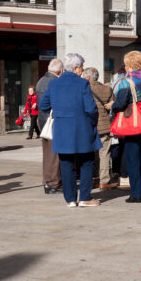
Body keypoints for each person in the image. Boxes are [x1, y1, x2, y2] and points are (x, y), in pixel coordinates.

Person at [40, 54, 102, 207]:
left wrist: (59, 113)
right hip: (82, 128)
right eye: (81, 67)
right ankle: (85, 198)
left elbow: (43, 105)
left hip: (61, 128)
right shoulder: (82, 84)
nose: (82, 70)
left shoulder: (54, 84)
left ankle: (70, 199)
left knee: (66, 163)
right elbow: (91, 108)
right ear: (75, 68)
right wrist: (92, 121)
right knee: (86, 162)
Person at [108, 51, 141, 203]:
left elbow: (121, 103)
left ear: (129, 65)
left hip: (133, 124)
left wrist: (112, 105)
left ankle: (135, 193)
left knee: (132, 159)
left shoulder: (127, 82)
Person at [83, 67, 116, 189]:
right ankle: (104, 180)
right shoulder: (107, 89)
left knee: (90, 154)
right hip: (104, 126)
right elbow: (114, 104)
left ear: (87, 77)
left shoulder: (84, 88)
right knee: (104, 153)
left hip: (89, 125)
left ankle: (93, 178)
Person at [36, 59, 63, 194]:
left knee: (47, 154)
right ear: (61, 70)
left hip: (43, 121)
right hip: (52, 121)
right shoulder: (55, 82)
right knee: (54, 155)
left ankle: (47, 181)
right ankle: (53, 183)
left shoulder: (41, 80)